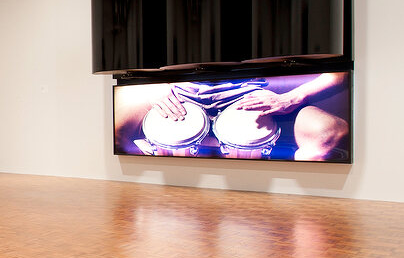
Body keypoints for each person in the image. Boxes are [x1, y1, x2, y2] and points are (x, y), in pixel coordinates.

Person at [116, 72, 348, 161]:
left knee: (327, 132)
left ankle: (303, 215)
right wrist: (153, 82)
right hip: (178, 89)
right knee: (113, 131)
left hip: (250, 94)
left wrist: (292, 97)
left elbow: (339, 72)